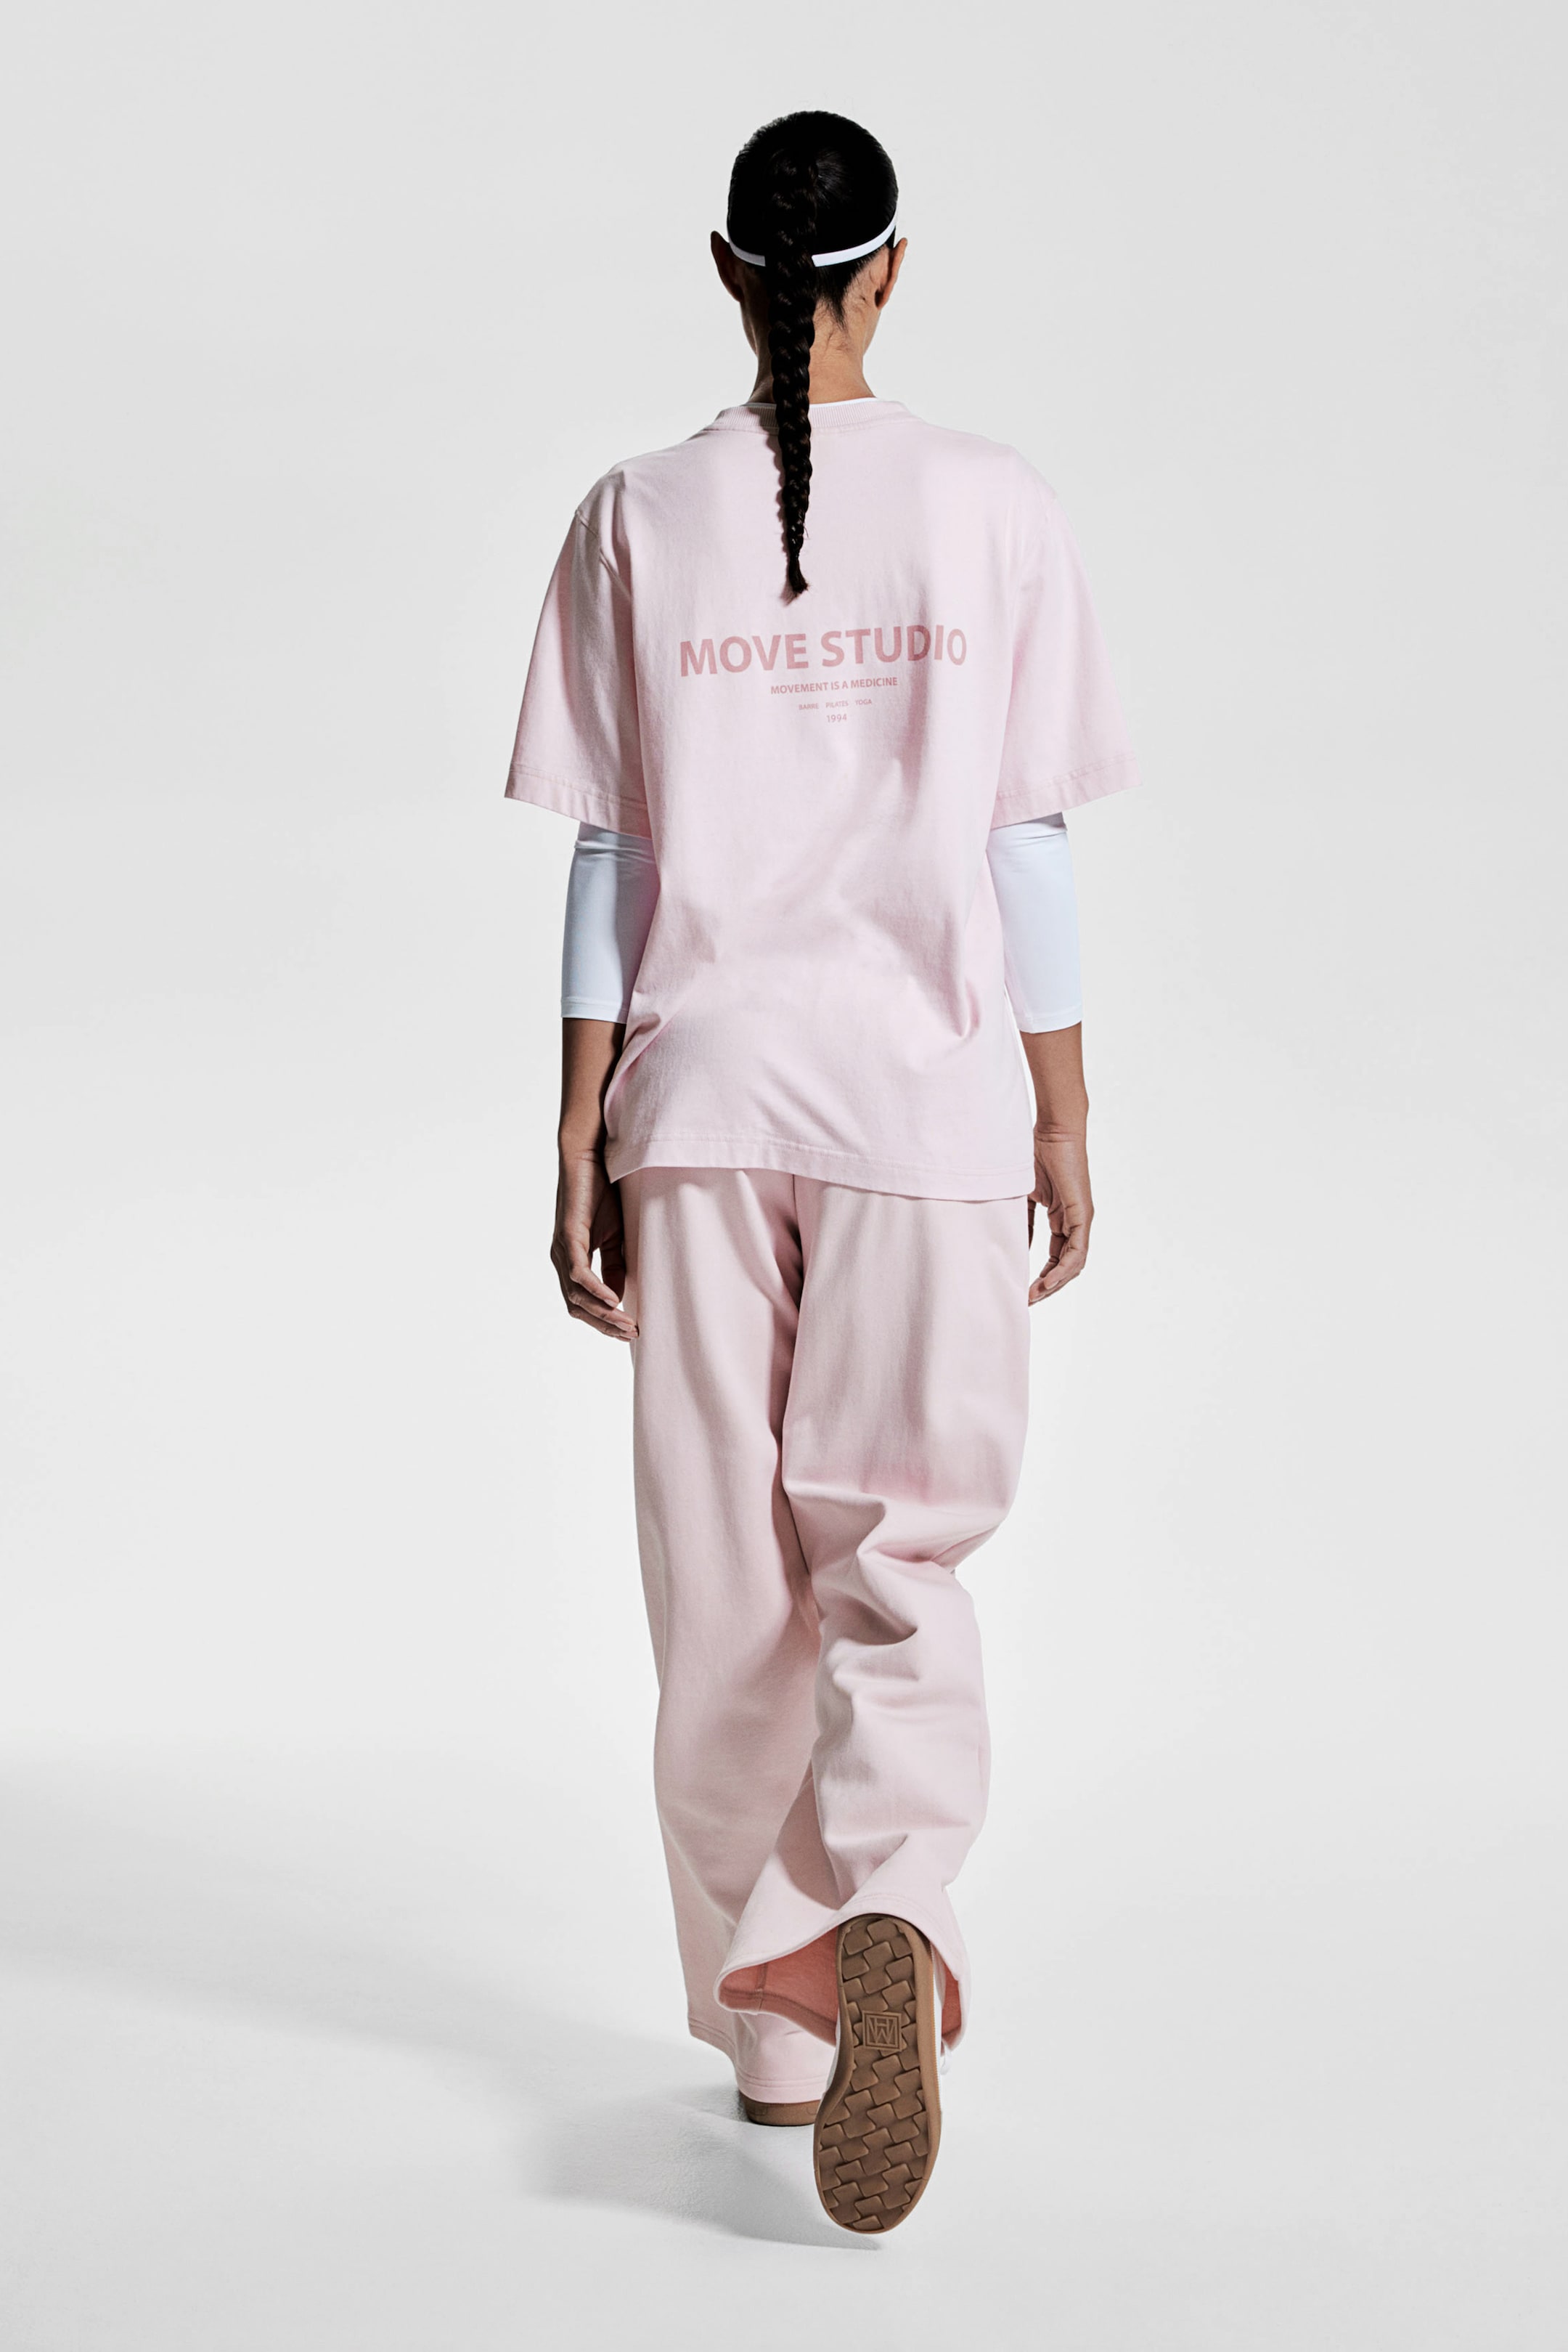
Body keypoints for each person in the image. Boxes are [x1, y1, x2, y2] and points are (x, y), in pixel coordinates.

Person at [504, 110, 1138, 2234]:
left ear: (724, 269)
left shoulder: (632, 514)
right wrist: (1062, 1112)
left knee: (725, 1589)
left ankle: (780, 2040)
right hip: (928, 1103)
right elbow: (1026, 844)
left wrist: (576, 1121)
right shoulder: (995, 503)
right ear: (892, 268)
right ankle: (900, 1919)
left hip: (700, 1099)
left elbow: (614, 852)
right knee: (902, 1553)